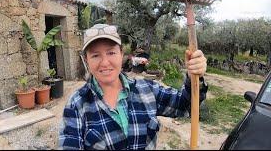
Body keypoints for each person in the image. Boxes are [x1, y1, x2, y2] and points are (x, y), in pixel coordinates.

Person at [58, 24, 208, 150]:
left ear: (122, 54)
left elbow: (185, 104)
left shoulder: (147, 90)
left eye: (111, 52)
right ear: (87, 60)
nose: (104, 62)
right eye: (95, 55)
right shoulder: (77, 104)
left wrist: (194, 76)